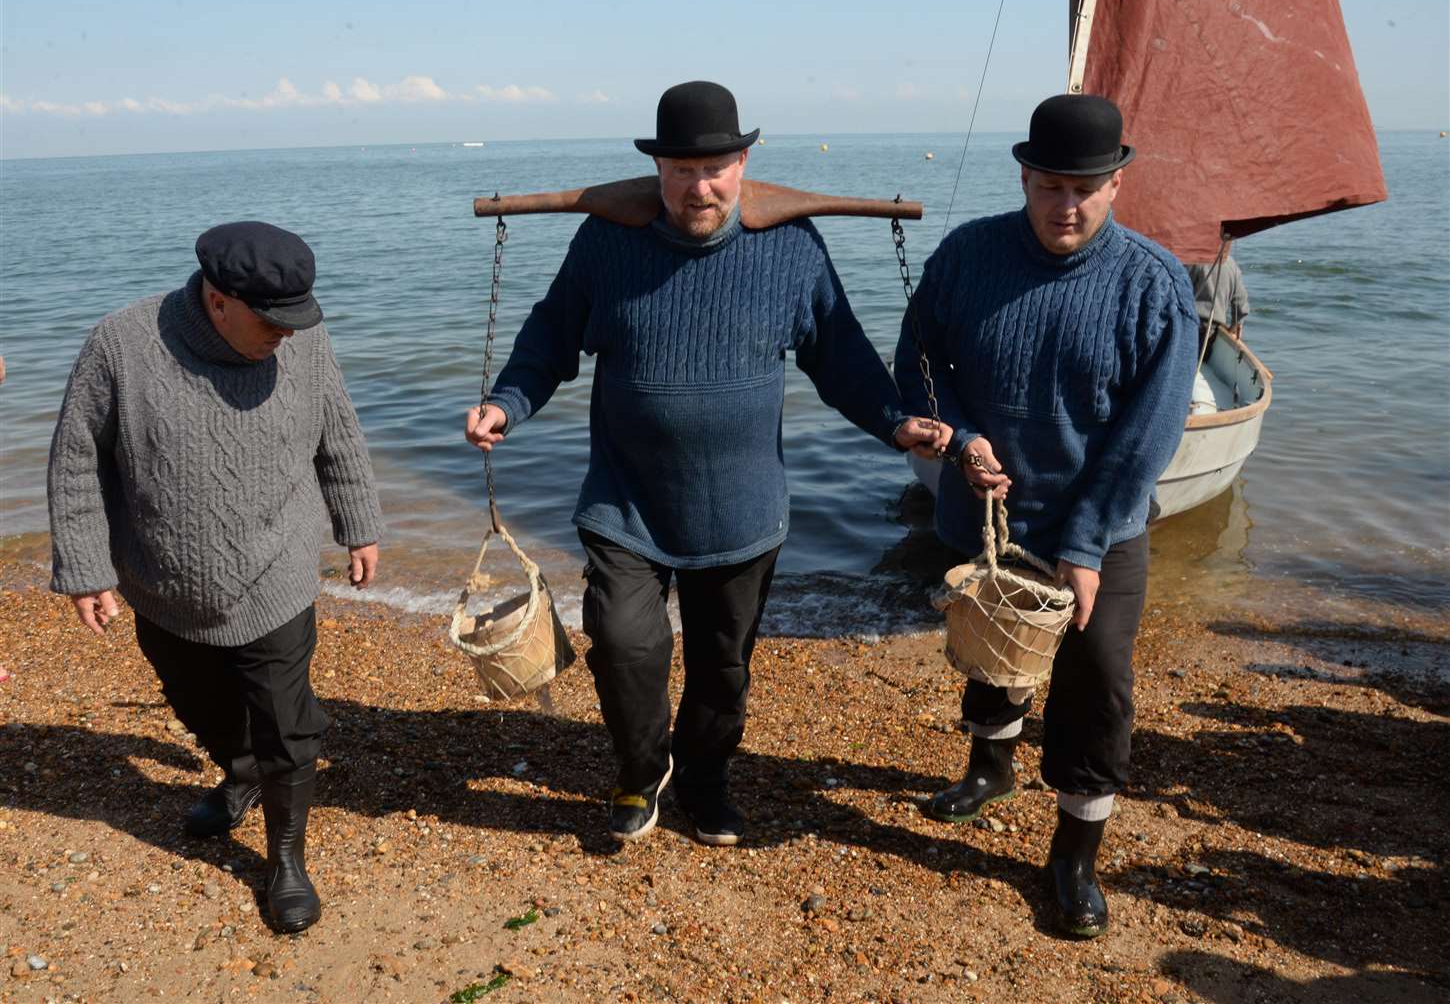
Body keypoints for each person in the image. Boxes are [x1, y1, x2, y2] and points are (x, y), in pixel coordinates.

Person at [466, 80, 949, 847]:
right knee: (625, 643)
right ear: (657, 168)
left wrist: (896, 424)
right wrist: (507, 404)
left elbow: (842, 356)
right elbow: (551, 336)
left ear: (744, 162)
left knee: (723, 668)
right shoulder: (607, 244)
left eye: (717, 167)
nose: (701, 185)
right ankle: (638, 769)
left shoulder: (790, 248)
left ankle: (705, 775)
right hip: (627, 502)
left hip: (744, 508)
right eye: (683, 169)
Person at [895, 94, 1196, 938]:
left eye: (1087, 188)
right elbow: (918, 358)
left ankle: (1073, 852)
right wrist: (960, 436)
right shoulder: (966, 256)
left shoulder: (1155, 283)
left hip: (1102, 526)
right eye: (1051, 186)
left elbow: (1150, 431)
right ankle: (991, 766)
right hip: (988, 508)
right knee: (993, 646)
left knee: (1097, 679)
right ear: (1024, 177)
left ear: (1116, 186)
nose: (1068, 206)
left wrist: (1088, 541)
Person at [47, 221, 383, 934]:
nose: (287, 336)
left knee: (288, 728)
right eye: (272, 321)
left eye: (298, 319)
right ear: (219, 299)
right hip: (165, 581)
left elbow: (339, 429)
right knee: (197, 702)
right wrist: (85, 566)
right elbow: (78, 458)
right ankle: (240, 770)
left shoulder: (303, 339)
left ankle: (285, 860)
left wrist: (360, 523)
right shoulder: (121, 344)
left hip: (278, 569)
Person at [1187, 242, 1249, 349]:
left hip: (1191, 326)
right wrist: (1235, 326)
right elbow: (1241, 305)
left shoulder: (1194, 260)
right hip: (1214, 332)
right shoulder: (1232, 266)